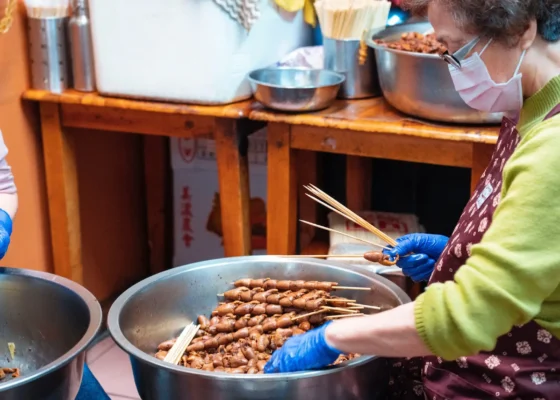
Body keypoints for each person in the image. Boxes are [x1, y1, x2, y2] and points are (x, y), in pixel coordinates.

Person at [264, 0, 560, 398]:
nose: (454, 66)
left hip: (515, 382)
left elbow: (464, 319)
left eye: (456, 47)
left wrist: (331, 338)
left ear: (524, 28)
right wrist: (458, 256)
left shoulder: (552, 150)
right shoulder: (529, 106)